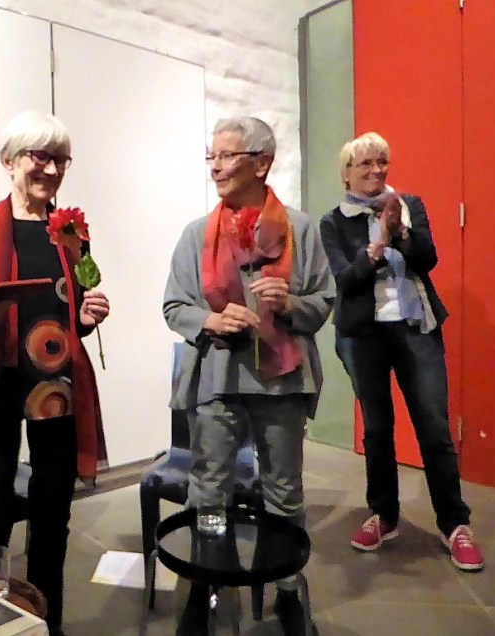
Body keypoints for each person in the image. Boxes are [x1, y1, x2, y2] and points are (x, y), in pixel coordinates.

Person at [163, 116, 334, 636]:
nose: (215, 166)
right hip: (216, 380)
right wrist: (211, 320)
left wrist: (290, 305)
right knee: (209, 490)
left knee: (284, 492)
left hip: (283, 381)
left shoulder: (300, 229)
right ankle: (204, 587)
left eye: (226, 156)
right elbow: (174, 306)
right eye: (211, 156)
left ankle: (286, 590)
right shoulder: (196, 234)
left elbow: (323, 301)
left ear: (261, 164)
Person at [0, 111, 110, 636]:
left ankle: (44, 622)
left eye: (60, 159)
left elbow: (72, 309)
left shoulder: (71, 229)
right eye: (40, 156)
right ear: (10, 161)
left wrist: (87, 317)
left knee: (52, 514)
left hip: (53, 386)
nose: (51, 169)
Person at [319, 131, 484, 571]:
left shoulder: (409, 205)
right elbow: (346, 279)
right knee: (377, 429)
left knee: (434, 429)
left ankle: (455, 524)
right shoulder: (333, 222)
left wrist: (401, 232)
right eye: (365, 164)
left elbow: (428, 259)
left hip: (415, 328)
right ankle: (384, 515)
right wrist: (377, 246)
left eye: (382, 162)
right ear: (346, 174)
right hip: (363, 335)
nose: (376, 171)